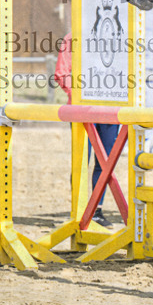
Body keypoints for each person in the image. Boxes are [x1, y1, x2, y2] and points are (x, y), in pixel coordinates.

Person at [53, 33, 118, 227]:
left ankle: (97, 210)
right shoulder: (73, 37)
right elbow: (61, 73)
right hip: (81, 111)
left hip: (110, 109)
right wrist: (81, 96)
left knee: (105, 162)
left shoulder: (115, 36)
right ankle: (79, 208)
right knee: (81, 160)